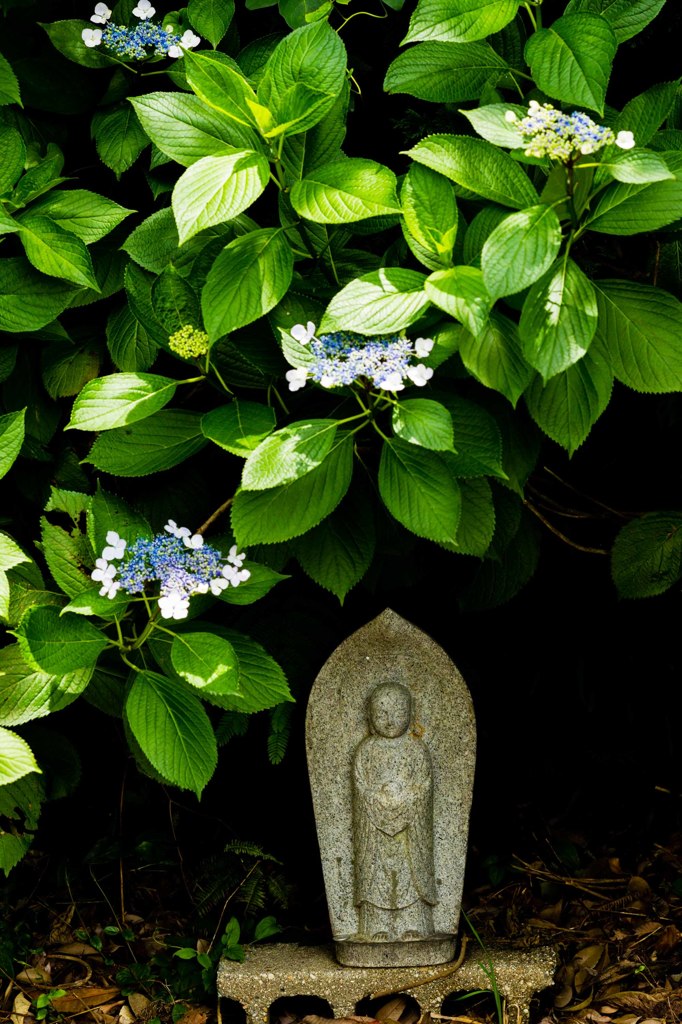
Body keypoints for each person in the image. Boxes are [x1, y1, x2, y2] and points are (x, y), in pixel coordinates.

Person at [352, 680, 437, 941]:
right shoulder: (365, 750)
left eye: (398, 712)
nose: (390, 720)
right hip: (374, 832)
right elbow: (359, 788)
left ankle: (413, 923)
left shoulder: (416, 749)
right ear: (370, 715)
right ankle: (375, 925)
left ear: (410, 714)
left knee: (409, 873)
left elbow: (424, 787)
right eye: (382, 713)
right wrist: (378, 798)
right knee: (375, 872)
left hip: (410, 830)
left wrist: (405, 797)